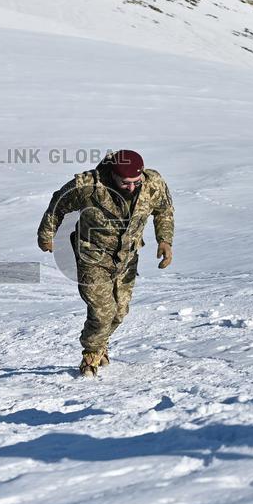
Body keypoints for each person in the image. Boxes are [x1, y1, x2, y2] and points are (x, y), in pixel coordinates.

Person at [37, 149, 174, 377]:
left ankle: (100, 344)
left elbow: (164, 210)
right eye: (126, 183)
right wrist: (46, 234)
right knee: (103, 312)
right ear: (113, 174)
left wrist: (165, 240)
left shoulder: (153, 184)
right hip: (93, 256)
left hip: (127, 257)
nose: (132, 187)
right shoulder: (89, 186)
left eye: (136, 181)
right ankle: (91, 354)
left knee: (119, 312)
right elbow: (58, 204)